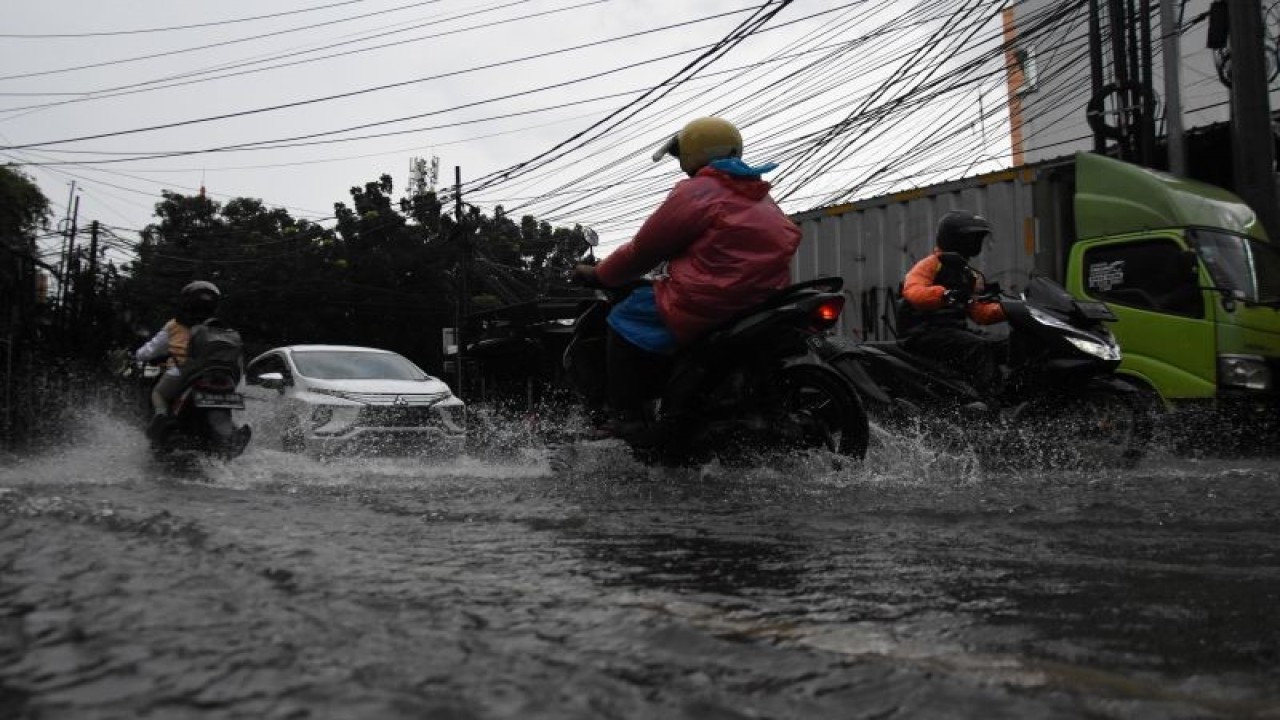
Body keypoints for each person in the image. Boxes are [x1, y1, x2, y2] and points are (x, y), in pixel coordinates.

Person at [571, 116, 801, 435]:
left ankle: (628, 417)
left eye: (681, 156)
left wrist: (600, 274)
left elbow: (643, 251)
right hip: (760, 299)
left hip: (709, 299)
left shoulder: (698, 192)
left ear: (694, 152)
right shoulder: (759, 194)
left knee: (622, 317)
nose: (680, 163)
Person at [897, 210, 1007, 397]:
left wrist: (1012, 309)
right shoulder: (932, 264)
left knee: (1005, 345)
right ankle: (993, 402)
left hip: (953, 332)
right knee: (978, 347)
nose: (976, 244)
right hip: (924, 333)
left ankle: (1018, 396)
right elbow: (913, 292)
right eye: (973, 239)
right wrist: (944, 294)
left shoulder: (967, 272)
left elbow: (979, 313)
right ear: (956, 240)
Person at [134, 280, 222, 438]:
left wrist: (138, 355)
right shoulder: (216, 326)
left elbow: (149, 350)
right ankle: (231, 433)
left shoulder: (174, 325)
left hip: (181, 371)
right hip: (213, 374)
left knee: (158, 393)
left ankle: (161, 418)